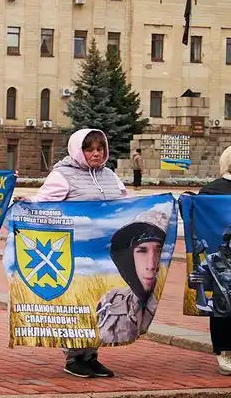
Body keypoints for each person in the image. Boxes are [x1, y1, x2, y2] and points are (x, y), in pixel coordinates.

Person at [33, 128, 128, 378]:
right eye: (89, 149)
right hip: (75, 253)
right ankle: (73, 356)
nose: (96, 154)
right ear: (78, 150)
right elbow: (42, 208)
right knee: (79, 303)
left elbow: (126, 206)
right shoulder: (62, 176)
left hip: (106, 255)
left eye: (100, 149)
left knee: (101, 303)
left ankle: (91, 355)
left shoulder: (109, 176)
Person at [96, 208, 169, 345]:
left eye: (159, 251)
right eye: (142, 251)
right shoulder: (111, 299)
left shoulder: (167, 304)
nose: (151, 264)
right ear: (130, 257)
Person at [195, 144, 231, 374]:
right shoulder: (214, 192)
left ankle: (225, 353)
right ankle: (225, 352)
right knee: (223, 304)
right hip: (223, 261)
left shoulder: (209, 190)